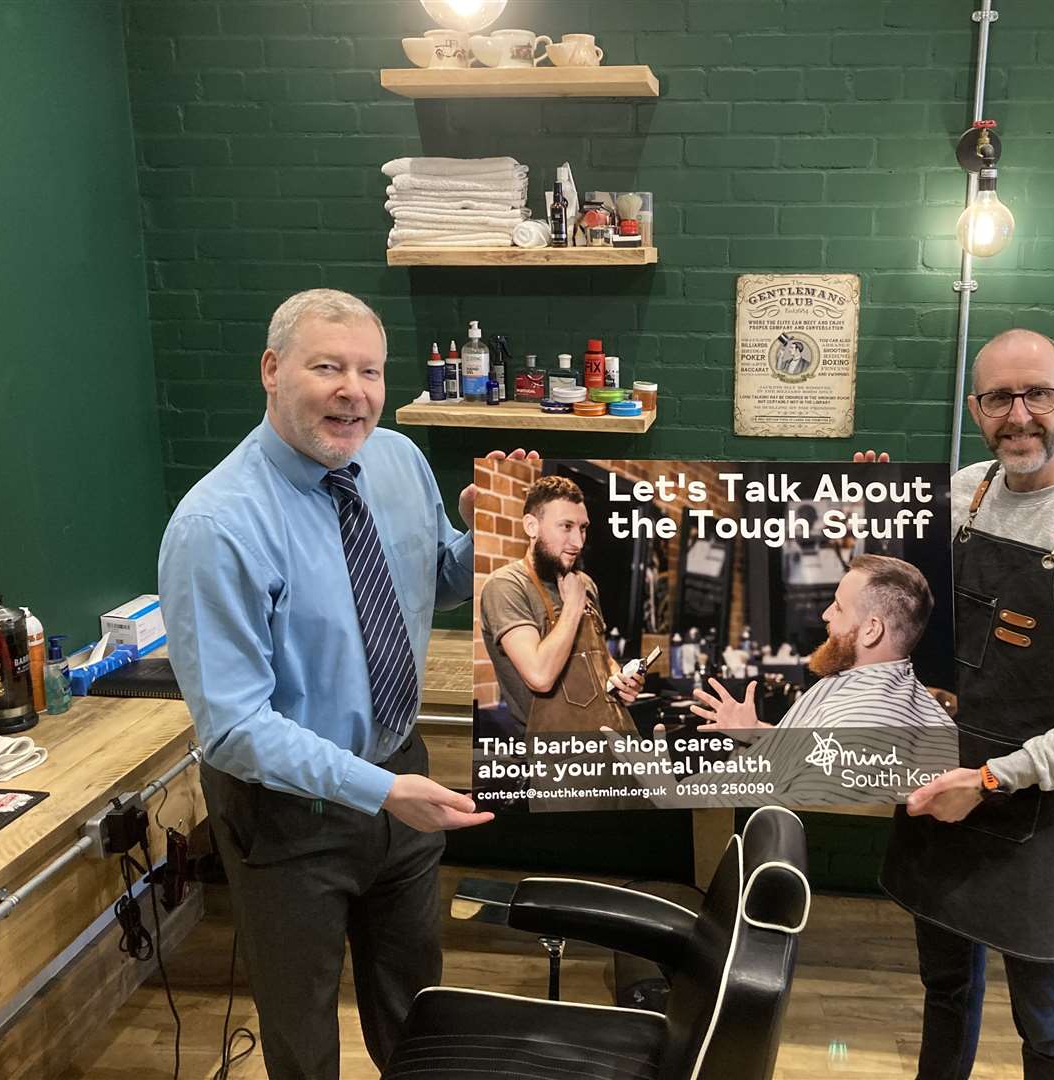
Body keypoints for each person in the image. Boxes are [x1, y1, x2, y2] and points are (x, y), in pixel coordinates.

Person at [158, 288, 531, 1079]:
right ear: (271, 369)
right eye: (326, 366)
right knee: (302, 1034)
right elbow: (231, 728)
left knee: (414, 1004)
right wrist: (378, 790)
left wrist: (494, 534)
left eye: (369, 370)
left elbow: (436, 577)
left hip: (403, 768)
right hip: (288, 814)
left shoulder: (397, 459)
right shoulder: (215, 526)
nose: (351, 390)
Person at [866, 328, 1054, 1080]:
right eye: (999, 397)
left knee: (1048, 1020)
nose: (1019, 414)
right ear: (976, 408)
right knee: (944, 987)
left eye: (1037, 394)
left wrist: (994, 780)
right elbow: (903, 632)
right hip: (938, 791)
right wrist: (871, 522)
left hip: (1040, 811)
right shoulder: (957, 496)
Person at [621, 554, 958, 808]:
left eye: (838, 608)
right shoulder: (867, 685)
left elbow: (795, 814)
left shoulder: (867, 723)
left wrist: (667, 796)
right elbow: (820, 751)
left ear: (871, 629)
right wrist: (755, 731)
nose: (825, 614)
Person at [479, 473, 642, 737]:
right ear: (531, 526)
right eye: (566, 526)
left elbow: (601, 659)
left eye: (583, 528)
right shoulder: (506, 586)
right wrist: (573, 607)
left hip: (617, 739)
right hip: (560, 757)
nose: (578, 542)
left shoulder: (585, 584)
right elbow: (540, 676)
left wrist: (622, 678)